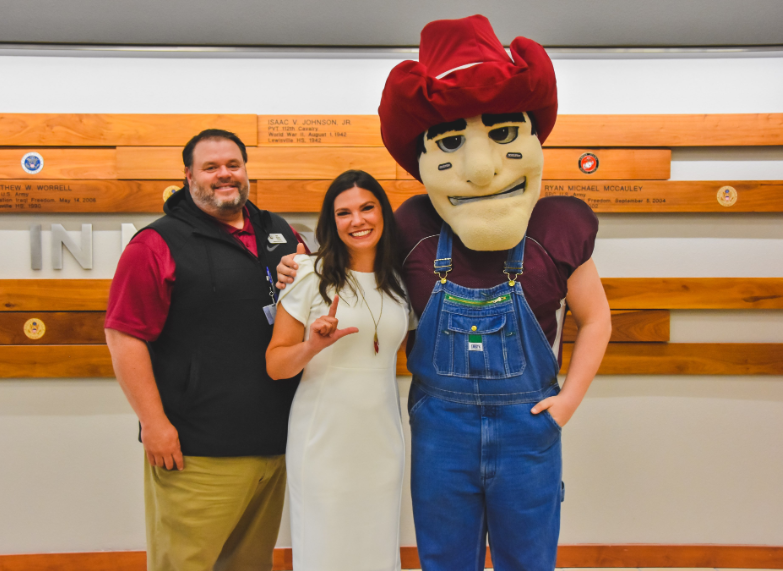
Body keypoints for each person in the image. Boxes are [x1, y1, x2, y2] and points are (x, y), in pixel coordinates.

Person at [279, 16, 613, 571]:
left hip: (527, 423)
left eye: (504, 134)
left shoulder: (557, 226)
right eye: (453, 142)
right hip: (441, 430)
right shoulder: (412, 226)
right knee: (444, 559)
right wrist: (305, 268)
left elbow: (596, 318)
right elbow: (356, 259)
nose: (480, 168)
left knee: (527, 559)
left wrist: (568, 402)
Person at [104, 128, 307, 571]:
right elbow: (124, 336)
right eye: (211, 167)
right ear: (188, 176)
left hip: (274, 444)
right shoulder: (156, 244)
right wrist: (154, 424)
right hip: (196, 451)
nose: (224, 175)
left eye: (233, 165)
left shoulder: (280, 232)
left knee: (250, 564)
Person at [266, 170, 411, 571]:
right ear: (332, 223)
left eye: (367, 208)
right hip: (323, 439)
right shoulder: (310, 275)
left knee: (377, 549)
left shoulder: (398, 280)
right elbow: (276, 365)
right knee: (325, 548)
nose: (357, 220)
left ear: (383, 213)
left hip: (383, 439)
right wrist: (312, 346)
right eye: (344, 213)